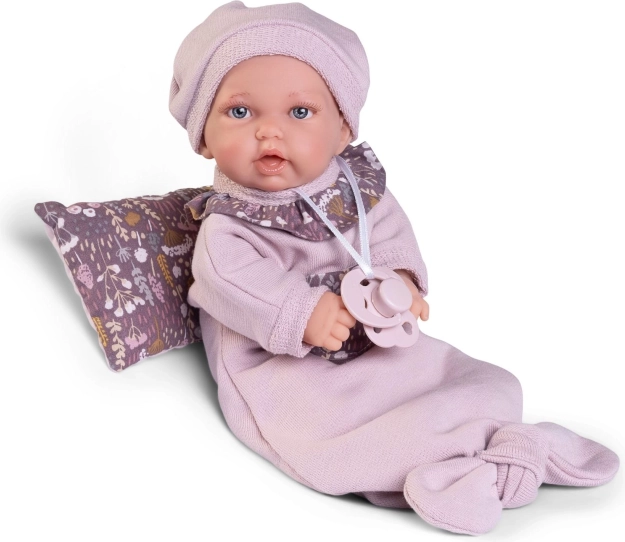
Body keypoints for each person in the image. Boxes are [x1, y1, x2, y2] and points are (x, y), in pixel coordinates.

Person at [169, 2, 619, 535]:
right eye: (241, 112)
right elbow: (230, 281)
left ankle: (492, 444)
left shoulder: (356, 192)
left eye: (300, 113)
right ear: (203, 136)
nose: (270, 132)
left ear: (342, 129)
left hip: (376, 342)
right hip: (290, 371)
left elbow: (386, 233)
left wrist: (400, 280)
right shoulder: (229, 227)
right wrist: (304, 312)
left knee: (475, 380)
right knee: (336, 442)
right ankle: (449, 465)